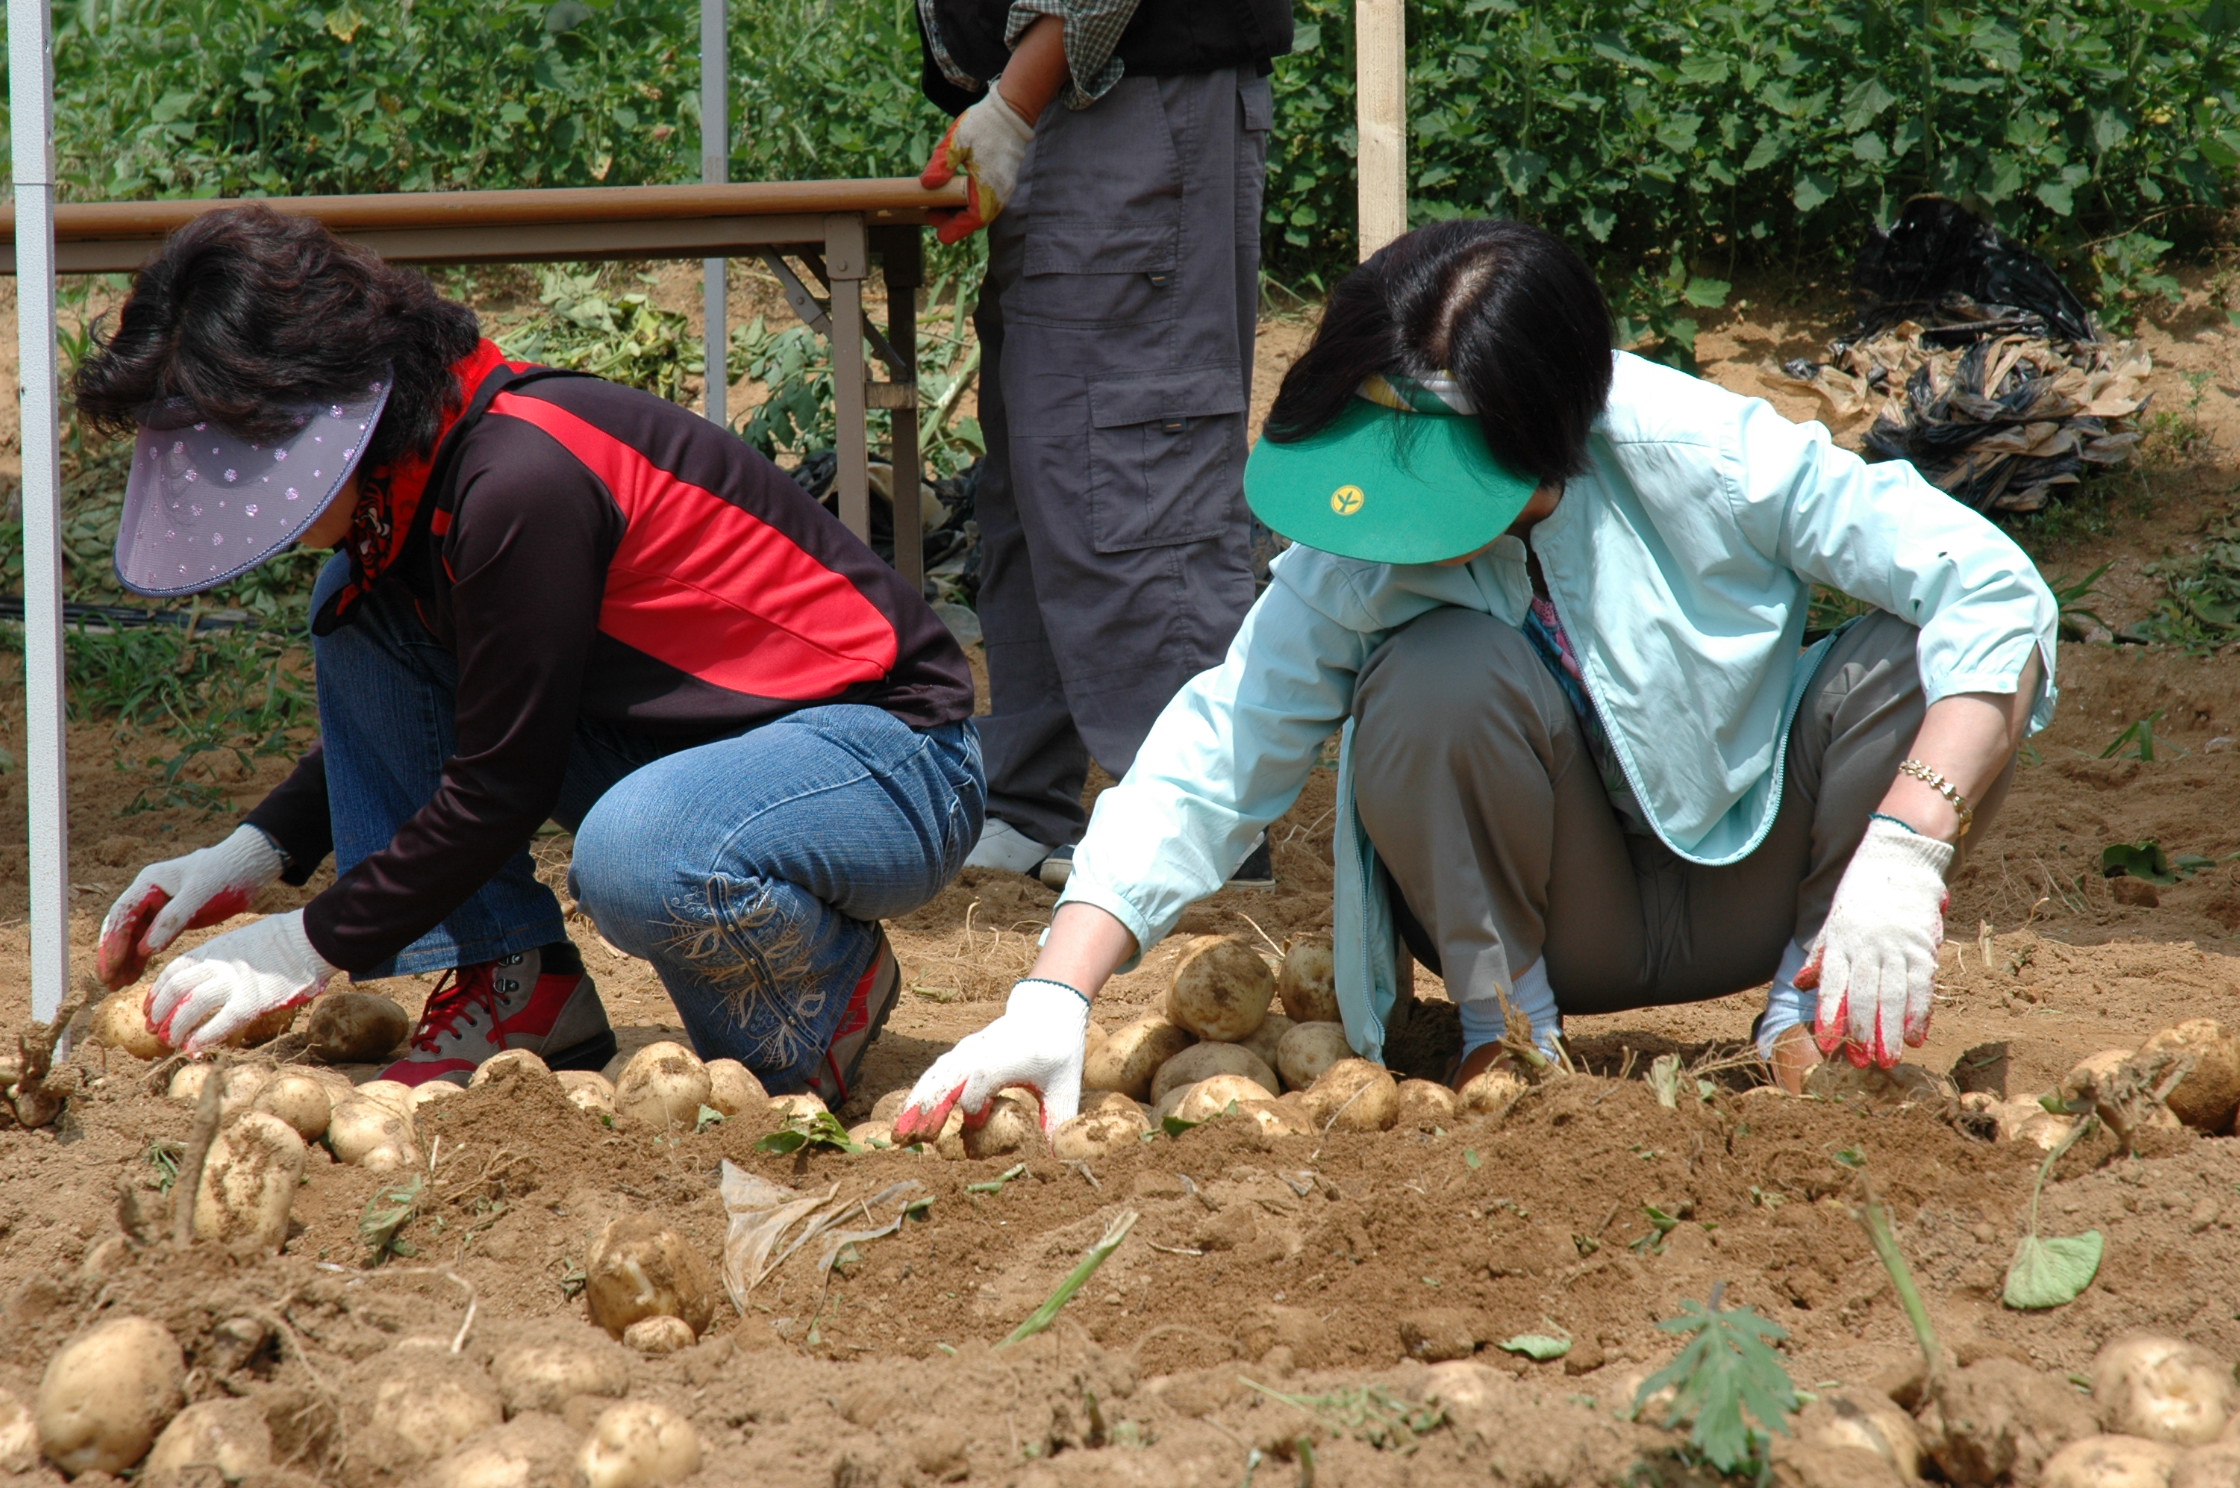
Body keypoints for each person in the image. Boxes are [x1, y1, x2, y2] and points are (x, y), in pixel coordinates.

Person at [894, 218, 2055, 1138]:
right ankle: (1509, 1037)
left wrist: (1905, 842)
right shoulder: (1362, 544)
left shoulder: (1701, 450)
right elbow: (1218, 750)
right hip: (1557, 918)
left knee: (1925, 656)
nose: (1411, 526)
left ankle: (1814, 1019)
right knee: (1433, 670)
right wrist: (1052, 994)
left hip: (1763, 874)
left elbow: (1994, 590)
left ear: (1554, 433)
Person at [79, 205, 984, 1102]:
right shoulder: (422, 485)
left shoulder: (519, 480)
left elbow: (501, 781)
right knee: (358, 607)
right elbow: (460, 719)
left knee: (638, 853)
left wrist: (304, 946)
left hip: (888, 754)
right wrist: (247, 856)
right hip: (704, 752)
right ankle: (515, 982)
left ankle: (823, 993)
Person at [913, 0, 1291, 888]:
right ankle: (1026, 797)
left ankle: (1197, 825)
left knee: (1126, 458)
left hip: (1123, 95)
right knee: (1039, 467)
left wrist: (1014, 99)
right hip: (1069, 102)